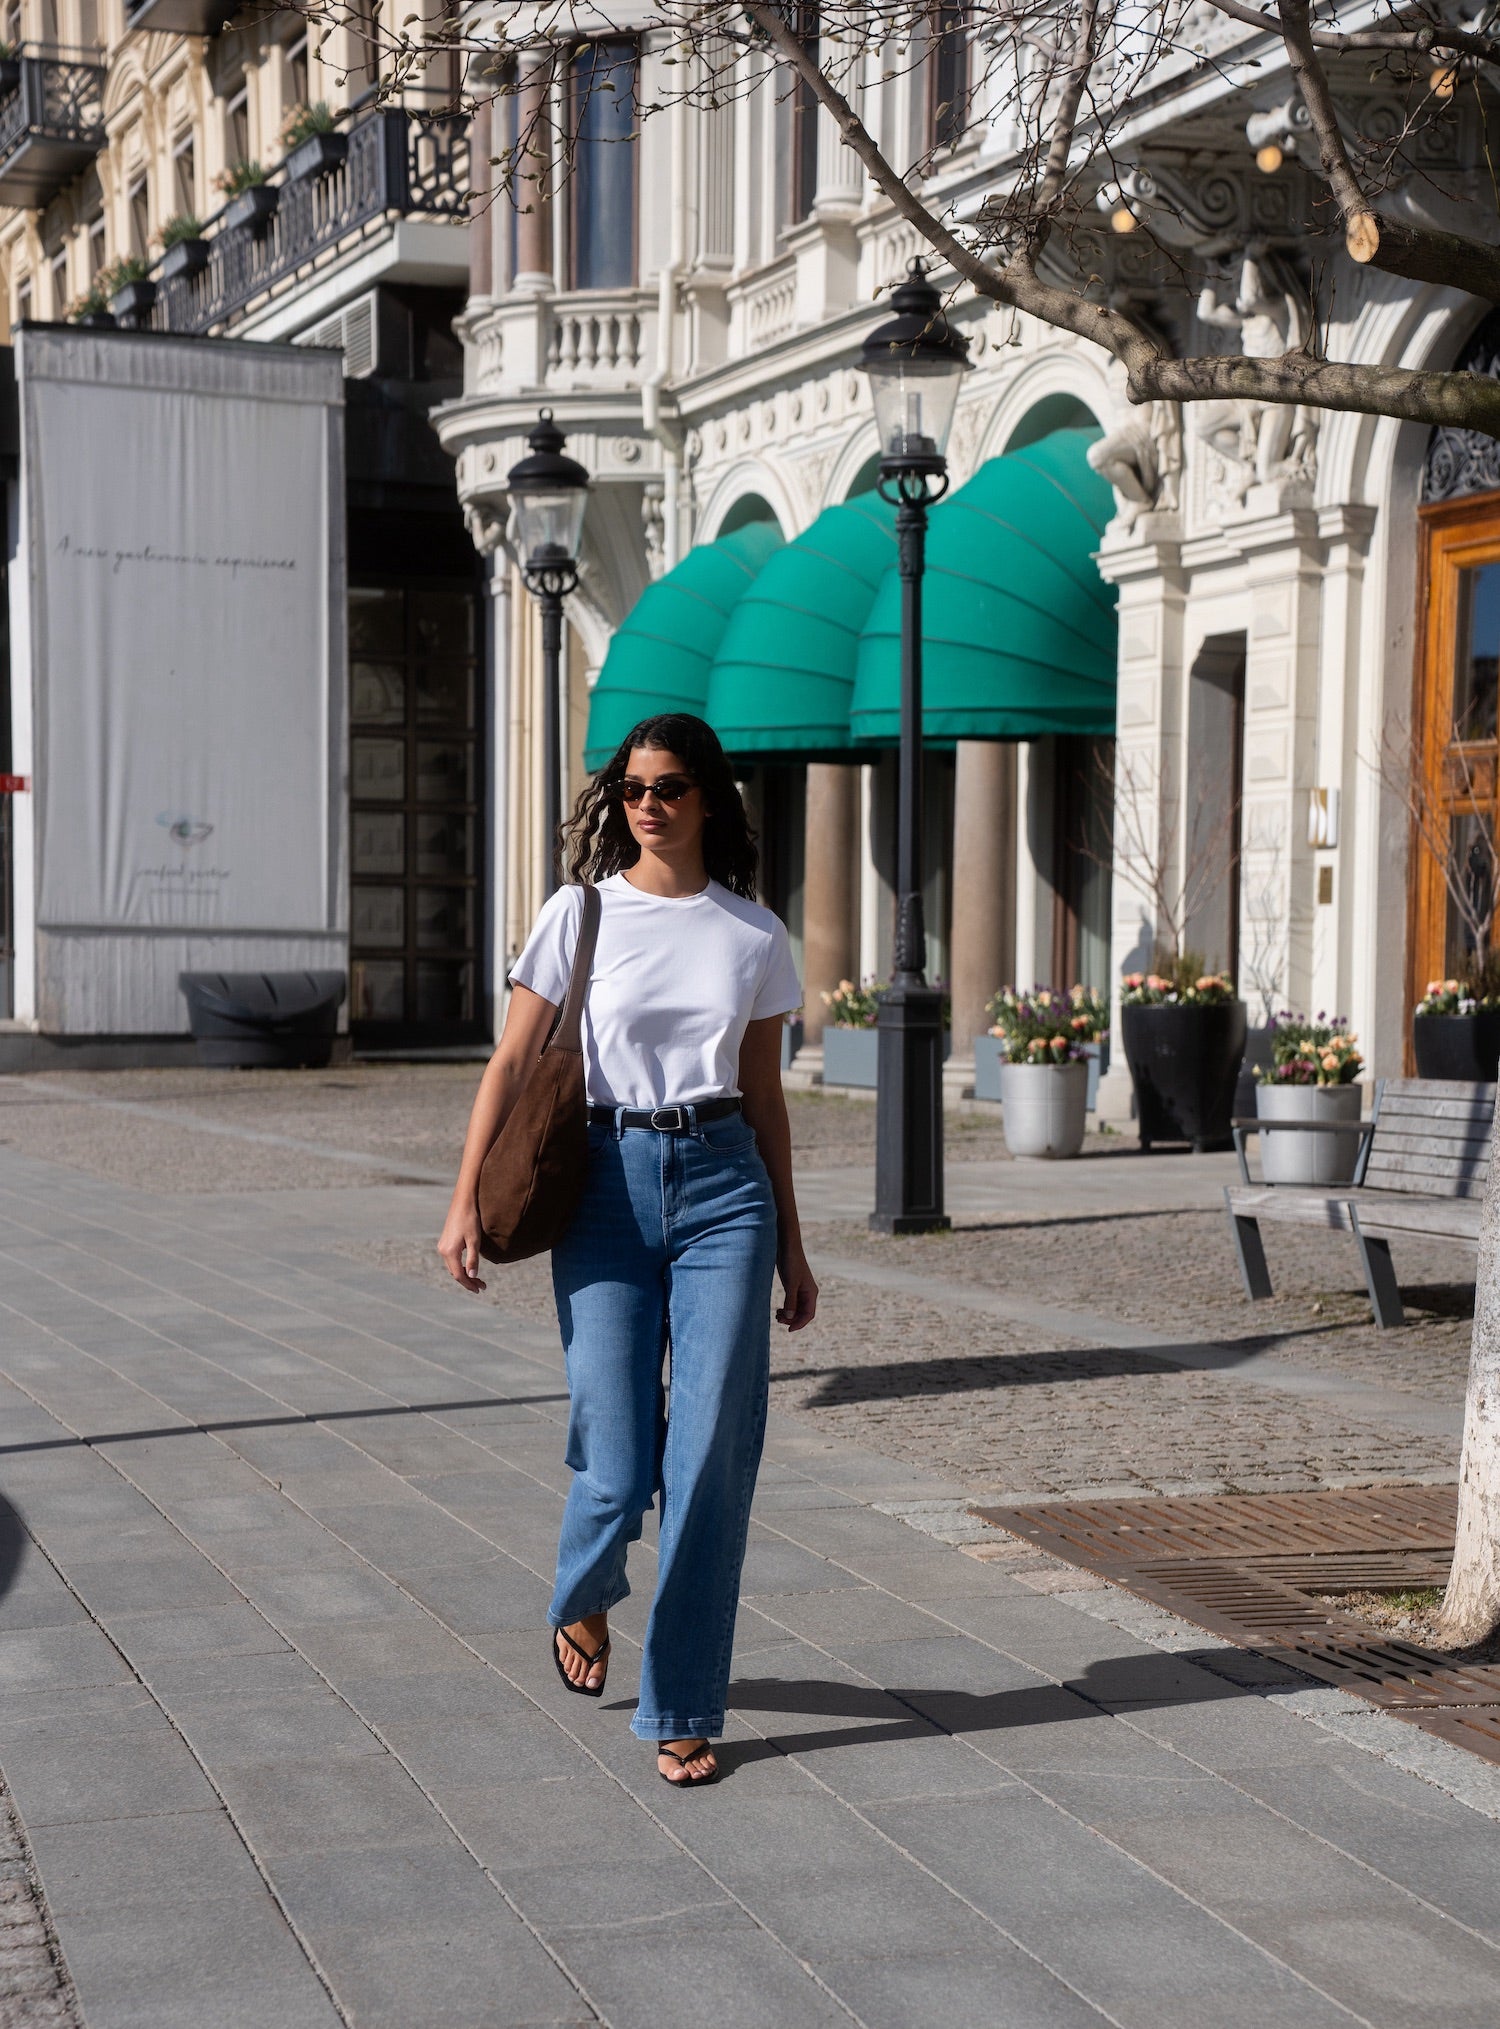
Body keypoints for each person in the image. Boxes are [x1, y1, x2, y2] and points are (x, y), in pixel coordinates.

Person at [438, 712, 818, 1788]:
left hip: (723, 1189)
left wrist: (792, 1239)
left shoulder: (753, 936)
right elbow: (510, 1064)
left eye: (669, 787)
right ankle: (583, 1591)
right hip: (602, 1187)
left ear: (707, 801)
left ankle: (682, 1704)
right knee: (615, 1458)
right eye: (633, 788)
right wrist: (464, 1199)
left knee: (707, 1460)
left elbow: (765, 1097)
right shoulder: (581, 913)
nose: (647, 803)